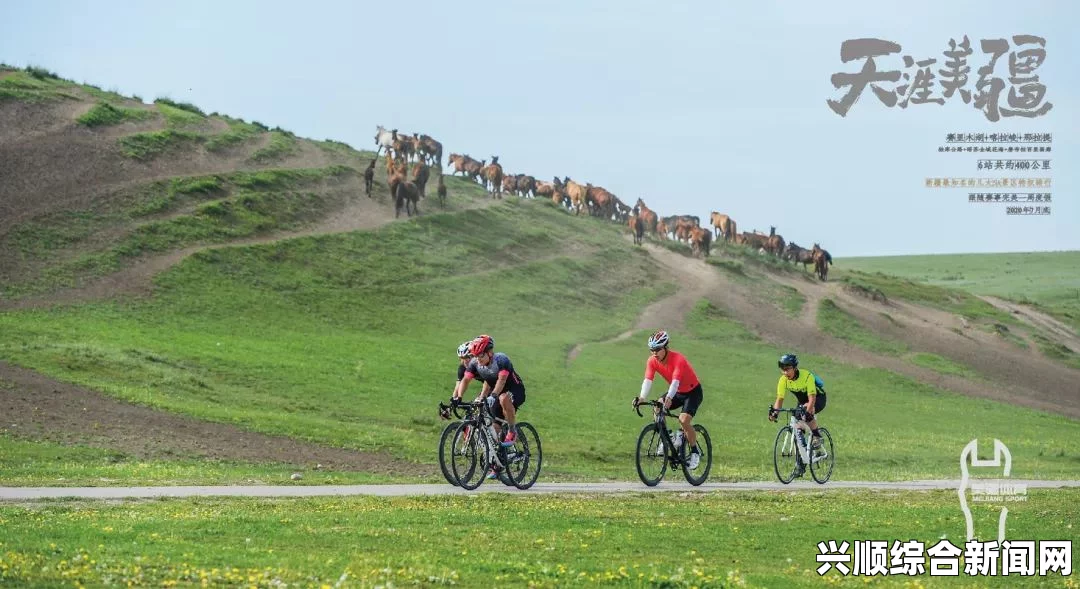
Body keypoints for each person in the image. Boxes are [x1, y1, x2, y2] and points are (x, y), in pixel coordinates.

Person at [632, 330, 705, 470]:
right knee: (657, 407)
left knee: (684, 420)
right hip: (677, 391)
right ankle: (668, 437)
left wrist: (669, 398)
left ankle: (695, 451)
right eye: (652, 350)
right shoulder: (652, 361)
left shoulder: (678, 359)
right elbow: (648, 380)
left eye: (657, 349)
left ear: (665, 348)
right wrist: (642, 398)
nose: (654, 353)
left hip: (692, 392)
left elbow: (675, 381)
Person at [454, 334, 526, 448]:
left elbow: (502, 381)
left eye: (481, 355)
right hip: (496, 393)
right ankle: (498, 458)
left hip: (514, 389)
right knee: (495, 427)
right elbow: (465, 380)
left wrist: (493, 395)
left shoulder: (501, 360)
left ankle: (512, 431)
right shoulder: (475, 363)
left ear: (490, 352)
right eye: (475, 356)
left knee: (503, 398)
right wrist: (458, 397)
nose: (478, 359)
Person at [769, 353, 827, 476]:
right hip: (802, 401)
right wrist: (775, 413)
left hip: (818, 398)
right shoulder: (783, 380)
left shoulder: (806, 376)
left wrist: (808, 411)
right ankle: (801, 465)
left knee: (807, 412)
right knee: (797, 430)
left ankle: (817, 436)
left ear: (795, 368)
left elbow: (812, 399)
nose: (785, 372)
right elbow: (779, 399)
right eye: (783, 369)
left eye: (788, 369)